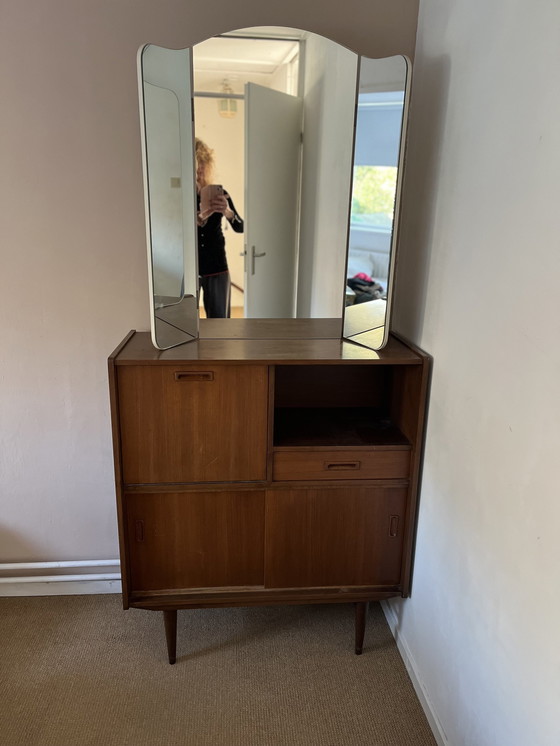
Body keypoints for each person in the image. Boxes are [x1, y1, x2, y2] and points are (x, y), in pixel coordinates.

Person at [195, 138, 244, 318]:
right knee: (185, 322)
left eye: (203, 163)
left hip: (217, 266)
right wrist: (198, 218)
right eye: (196, 163)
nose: (200, 168)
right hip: (190, 267)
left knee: (220, 322)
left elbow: (240, 227)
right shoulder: (182, 196)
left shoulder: (220, 194)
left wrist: (228, 212)